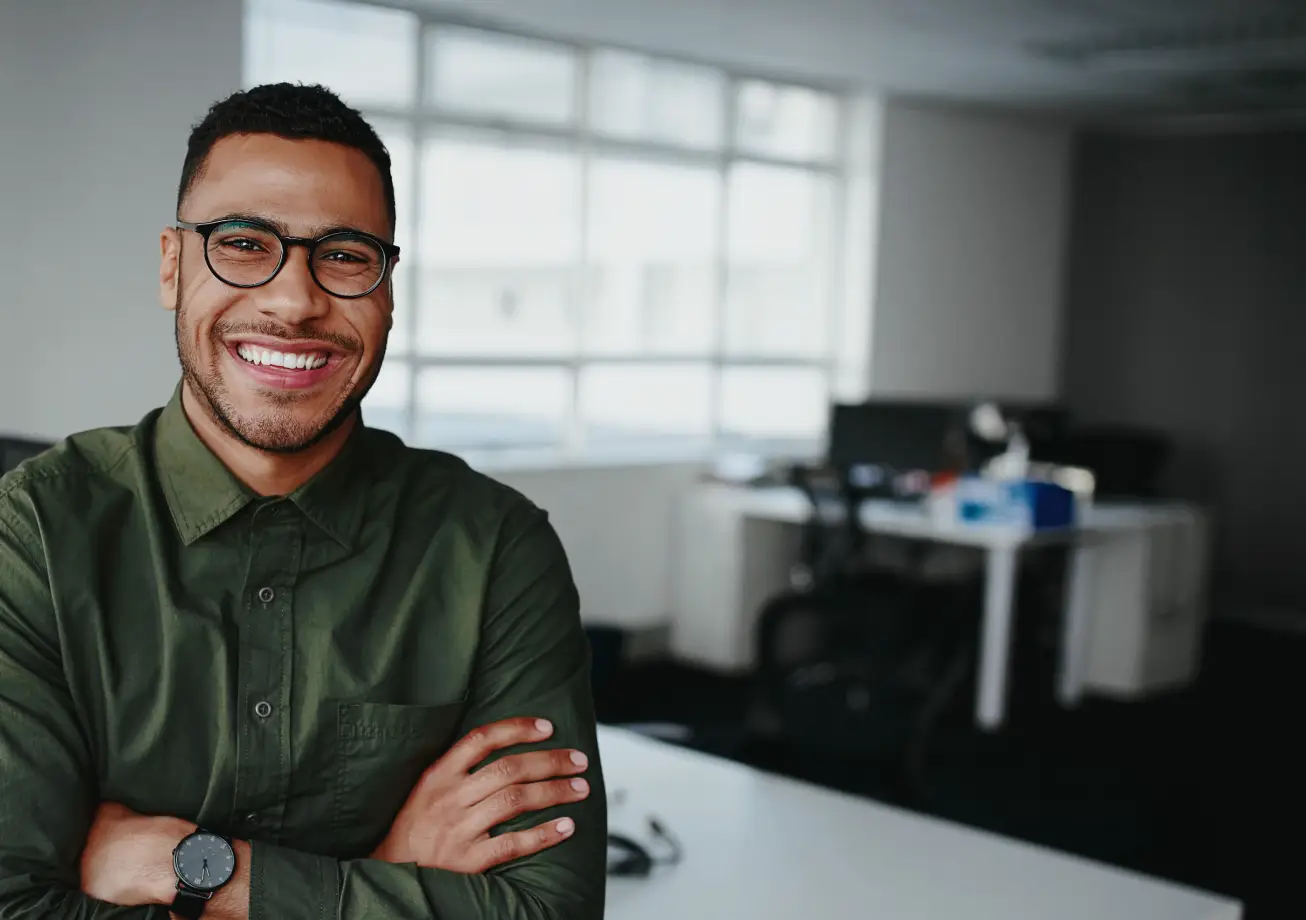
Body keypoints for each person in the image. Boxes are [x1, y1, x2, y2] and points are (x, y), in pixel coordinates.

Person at [0, 83, 606, 919]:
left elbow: (547, 912)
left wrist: (203, 874)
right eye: (244, 244)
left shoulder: (494, 547)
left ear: (390, 290)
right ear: (173, 267)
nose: (294, 301)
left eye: (347, 254)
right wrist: (391, 869)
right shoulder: (30, 534)